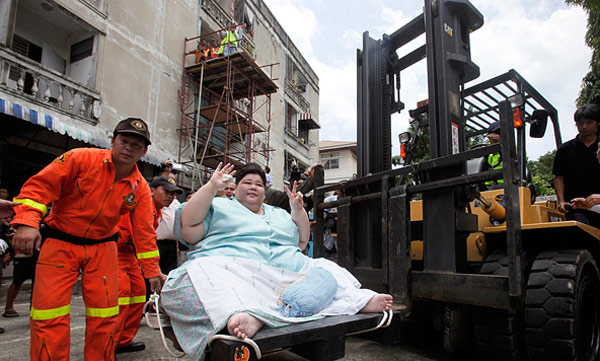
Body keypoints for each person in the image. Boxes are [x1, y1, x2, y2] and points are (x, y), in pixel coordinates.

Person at [160, 163, 393, 359]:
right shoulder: (217, 205)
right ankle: (249, 314)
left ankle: (357, 299)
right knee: (205, 271)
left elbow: (302, 241)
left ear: (265, 190)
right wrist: (211, 187)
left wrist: (297, 209)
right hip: (236, 270)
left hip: (287, 274)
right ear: (235, 187)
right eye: (247, 182)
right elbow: (188, 227)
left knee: (325, 267)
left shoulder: (278, 214)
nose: (253, 187)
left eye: (259, 184)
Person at [10, 117, 164, 360]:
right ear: (113, 141)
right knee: (48, 314)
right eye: (124, 141)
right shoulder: (79, 158)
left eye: (137, 145)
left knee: (106, 315)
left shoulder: (140, 187)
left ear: (144, 152)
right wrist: (27, 223)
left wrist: (152, 271)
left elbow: (144, 232)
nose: (129, 148)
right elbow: (38, 189)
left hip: (103, 248)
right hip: (60, 242)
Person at [553, 104, 600, 228]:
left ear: (597, 123)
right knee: (583, 235)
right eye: (580, 123)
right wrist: (561, 201)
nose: (584, 127)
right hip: (576, 207)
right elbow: (559, 177)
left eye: (589, 122)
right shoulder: (565, 149)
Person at [152, 176, 183, 274]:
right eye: (166, 191)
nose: (170, 196)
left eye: (172, 193)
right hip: (156, 244)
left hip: (171, 246)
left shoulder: (174, 204)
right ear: (152, 191)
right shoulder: (145, 208)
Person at [484, 121, 503, 189]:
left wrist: (499, 142)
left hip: (506, 184)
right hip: (489, 186)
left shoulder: (511, 146)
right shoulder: (490, 151)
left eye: (497, 133)